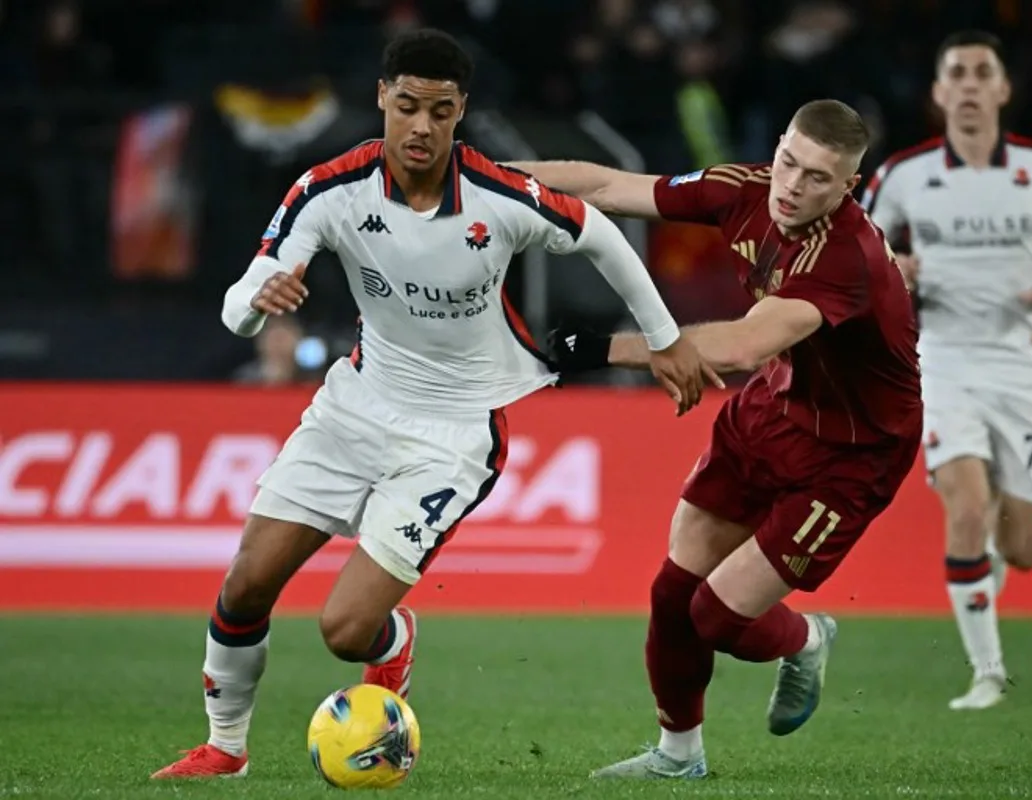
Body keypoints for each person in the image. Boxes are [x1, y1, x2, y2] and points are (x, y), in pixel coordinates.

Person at [151, 28, 713, 780]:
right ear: (383, 97)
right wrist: (258, 303)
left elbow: (602, 234)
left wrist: (665, 337)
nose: (421, 127)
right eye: (408, 105)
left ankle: (391, 645)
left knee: (345, 631)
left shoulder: (499, 196)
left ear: (461, 112)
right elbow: (237, 305)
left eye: (440, 111)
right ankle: (225, 748)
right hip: (355, 408)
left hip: (454, 433)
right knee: (247, 583)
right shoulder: (328, 191)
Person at [513, 98, 922, 779]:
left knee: (719, 617)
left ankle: (806, 635)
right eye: (788, 161)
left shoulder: (844, 257)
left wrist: (600, 348)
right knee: (673, 594)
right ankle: (678, 759)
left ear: (849, 186)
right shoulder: (749, 188)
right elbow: (611, 186)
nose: (793, 186)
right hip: (772, 408)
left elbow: (740, 343)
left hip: (851, 455)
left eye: (818, 177)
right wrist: (477, 174)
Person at [862, 30, 1032, 711]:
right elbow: (854, 252)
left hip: (1021, 369)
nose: (970, 85)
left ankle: (984, 574)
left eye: (983, 73)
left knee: (1024, 547)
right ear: (940, 94)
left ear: (1003, 90)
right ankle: (987, 674)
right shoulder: (905, 175)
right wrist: (895, 269)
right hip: (940, 361)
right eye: (958, 75)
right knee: (967, 506)